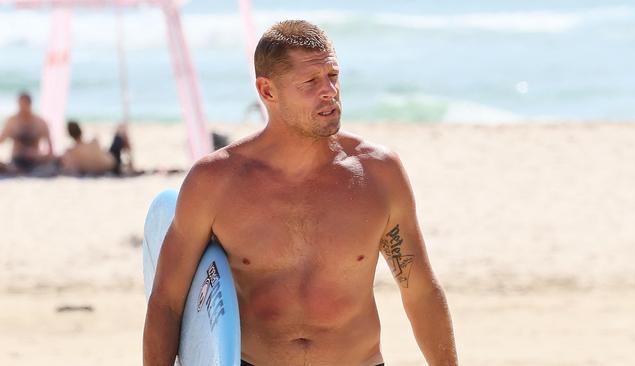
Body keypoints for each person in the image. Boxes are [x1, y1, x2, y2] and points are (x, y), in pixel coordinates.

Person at [144, 20, 458, 366]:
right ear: (267, 91)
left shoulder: (378, 173)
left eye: (333, 76)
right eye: (310, 82)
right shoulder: (214, 182)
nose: (329, 91)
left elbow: (420, 291)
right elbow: (167, 302)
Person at [0, 92, 54, 173]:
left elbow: (50, 150)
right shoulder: (12, 122)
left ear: (30, 105)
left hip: (35, 160)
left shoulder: (40, 123)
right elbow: (1, 140)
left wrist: (40, 156)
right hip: (17, 159)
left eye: (24, 105)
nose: (22, 108)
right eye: (20, 105)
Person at [60, 120, 132, 176]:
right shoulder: (93, 142)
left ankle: (130, 164)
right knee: (121, 130)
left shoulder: (70, 152)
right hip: (113, 164)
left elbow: (69, 168)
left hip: (103, 168)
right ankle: (131, 163)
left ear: (69, 135)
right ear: (81, 130)